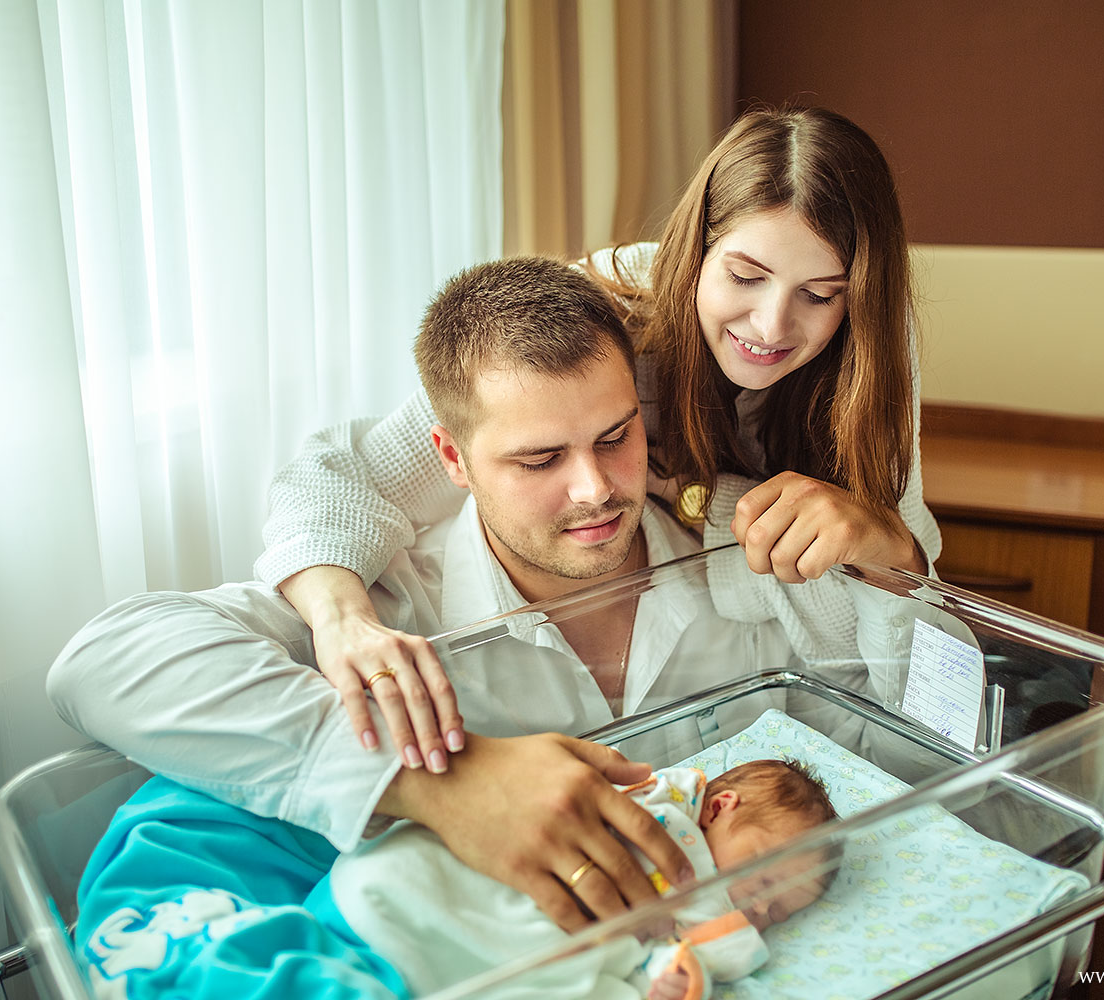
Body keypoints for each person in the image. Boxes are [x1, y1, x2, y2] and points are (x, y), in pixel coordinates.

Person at [50, 256, 889, 949]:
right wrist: (438, 782)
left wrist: (891, 555)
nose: (595, 489)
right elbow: (99, 662)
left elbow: (915, 742)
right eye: (538, 460)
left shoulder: (744, 574)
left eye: (615, 437)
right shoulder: (397, 602)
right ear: (451, 458)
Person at [253, 106, 943, 775]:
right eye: (744, 277)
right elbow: (346, 476)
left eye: (820, 294)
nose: (770, 325)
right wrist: (343, 620)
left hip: (767, 625)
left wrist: (886, 546)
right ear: (693, 250)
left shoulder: (874, 352)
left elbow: (914, 641)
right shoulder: (608, 306)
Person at [322, 758, 839, 1000]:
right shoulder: (663, 812)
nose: (759, 907)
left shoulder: (701, 914)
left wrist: (674, 977)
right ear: (720, 808)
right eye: (762, 876)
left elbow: (660, 948)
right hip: (452, 883)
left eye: (779, 912)